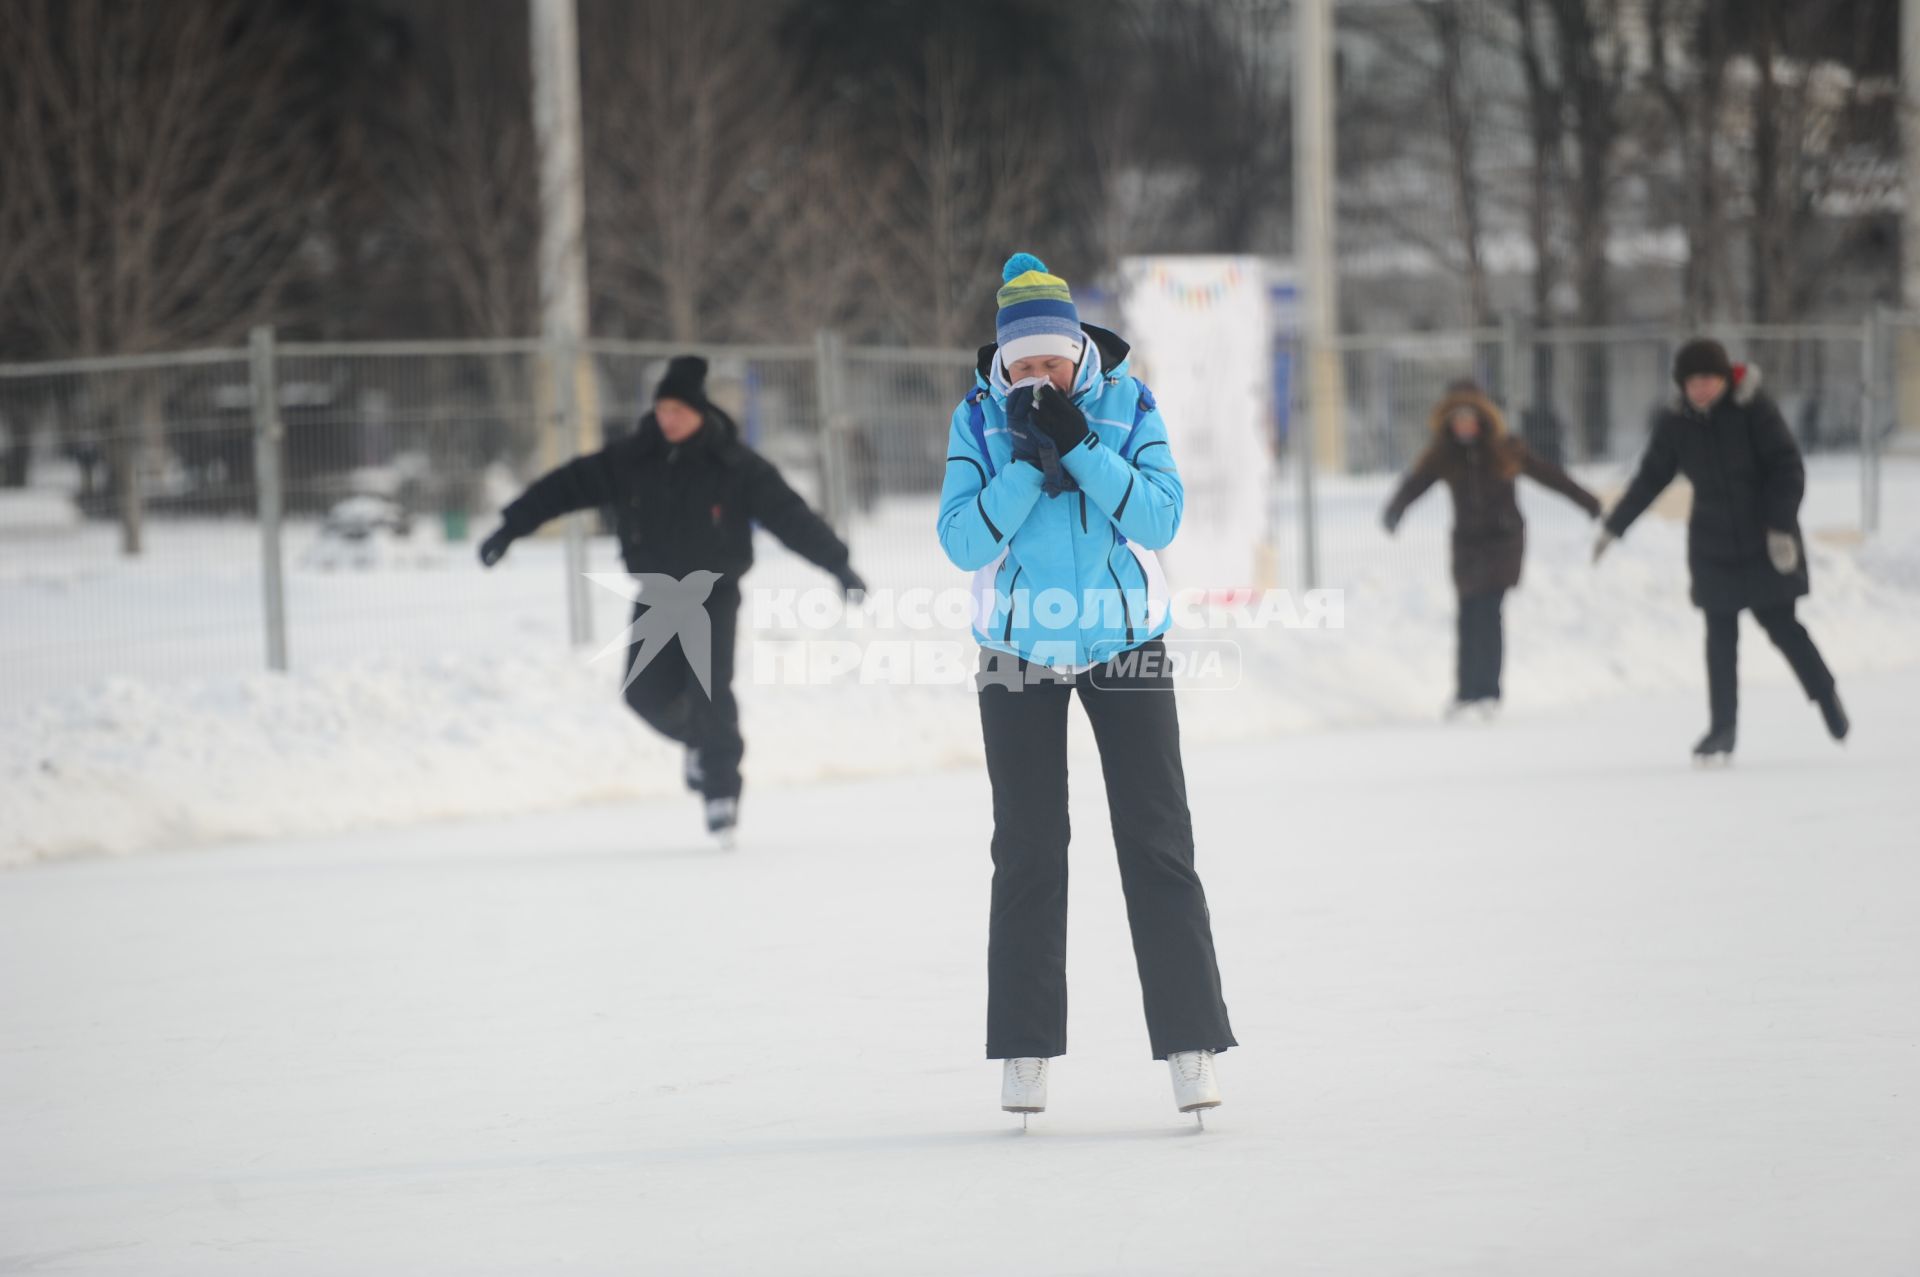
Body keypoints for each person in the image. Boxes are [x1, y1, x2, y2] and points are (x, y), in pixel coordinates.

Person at [937, 253, 1236, 1123]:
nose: (1036, 377)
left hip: (1126, 643)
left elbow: (1158, 515)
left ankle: (1191, 1045)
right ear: (1003, 363)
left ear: (1076, 355)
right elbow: (960, 540)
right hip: (1014, 652)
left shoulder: (1128, 404)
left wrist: (1078, 443)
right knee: (1028, 848)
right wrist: (1027, 466)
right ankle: (1025, 1052)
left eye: (1050, 363)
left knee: (1157, 840)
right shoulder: (979, 420)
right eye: (1021, 365)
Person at [478, 356, 866, 839]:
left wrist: (838, 564)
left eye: (677, 410)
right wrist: (510, 527)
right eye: (661, 409)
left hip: (713, 594)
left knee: (708, 689)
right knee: (643, 695)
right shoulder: (631, 459)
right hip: (658, 593)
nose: (668, 419)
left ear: (699, 411)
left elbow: (790, 517)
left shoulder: (734, 464)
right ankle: (701, 747)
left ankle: (721, 790)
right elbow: (565, 487)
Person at [1595, 339, 1847, 761]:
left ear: (1725, 378)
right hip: (1712, 544)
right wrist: (1614, 526)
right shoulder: (1676, 423)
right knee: (1719, 637)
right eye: (1693, 382)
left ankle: (1826, 698)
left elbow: (1787, 468)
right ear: (1682, 385)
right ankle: (1722, 729)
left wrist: (1780, 528)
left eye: (1709, 380)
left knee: (1783, 629)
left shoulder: (1754, 410)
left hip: (1765, 537)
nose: (1702, 389)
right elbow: (1652, 476)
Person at [1382, 380, 1602, 717]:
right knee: (1468, 614)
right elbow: (1416, 483)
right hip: (1467, 544)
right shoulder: (1444, 455)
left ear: (1482, 419)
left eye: (1469, 417)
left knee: (1488, 611)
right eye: (1457, 418)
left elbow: (1551, 476)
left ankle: (1488, 692)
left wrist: (1588, 502)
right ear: (1448, 422)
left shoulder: (1505, 449)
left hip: (1503, 541)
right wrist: (1396, 509)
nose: (1463, 424)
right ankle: (1466, 691)